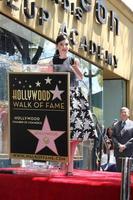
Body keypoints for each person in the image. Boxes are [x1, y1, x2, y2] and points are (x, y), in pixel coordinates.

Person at [50, 34, 97, 175]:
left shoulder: (73, 59)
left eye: (66, 44)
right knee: (62, 132)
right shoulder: (53, 60)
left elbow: (81, 76)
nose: (65, 47)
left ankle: (68, 167)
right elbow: (51, 78)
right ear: (57, 46)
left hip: (74, 96)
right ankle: (64, 164)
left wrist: (74, 67)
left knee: (75, 132)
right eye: (62, 45)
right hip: (59, 96)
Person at [112, 107, 133, 172]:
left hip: (129, 152)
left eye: (125, 112)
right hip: (118, 152)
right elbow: (113, 137)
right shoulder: (116, 125)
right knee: (119, 172)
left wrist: (125, 146)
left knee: (128, 172)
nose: (123, 114)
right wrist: (119, 145)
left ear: (128, 114)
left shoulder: (132, 124)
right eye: (121, 112)